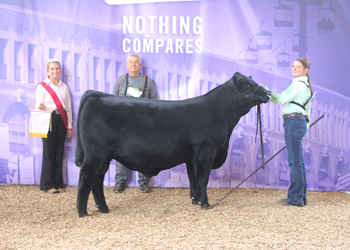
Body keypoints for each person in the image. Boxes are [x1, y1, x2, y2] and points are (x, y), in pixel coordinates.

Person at [265, 57, 313, 207]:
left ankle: (295, 198)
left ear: (305, 70)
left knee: (295, 161)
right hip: (298, 122)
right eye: (293, 66)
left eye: (298, 67)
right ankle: (300, 197)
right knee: (298, 161)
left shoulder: (298, 85)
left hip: (293, 122)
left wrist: (266, 91)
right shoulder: (304, 85)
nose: (294, 69)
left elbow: (280, 99)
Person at [111, 54, 157, 193]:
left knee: (142, 152)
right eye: (131, 62)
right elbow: (112, 101)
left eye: (136, 62)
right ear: (127, 64)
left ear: (140, 65)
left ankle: (143, 182)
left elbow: (154, 102)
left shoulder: (148, 81)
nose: (133, 64)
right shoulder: (120, 80)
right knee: (120, 152)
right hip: (123, 124)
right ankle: (120, 181)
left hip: (142, 124)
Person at [35, 58, 73, 194]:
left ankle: (58, 183)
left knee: (59, 152)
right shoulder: (42, 86)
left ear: (60, 71)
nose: (55, 71)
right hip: (47, 118)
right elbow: (39, 104)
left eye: (57, 68)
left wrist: (69, 126)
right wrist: (40, 106)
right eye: (52, 69)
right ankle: (48, 184)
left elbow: (68, 109)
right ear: (47, 71)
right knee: (49, 152)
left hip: (61, 119)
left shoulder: (64, 87)